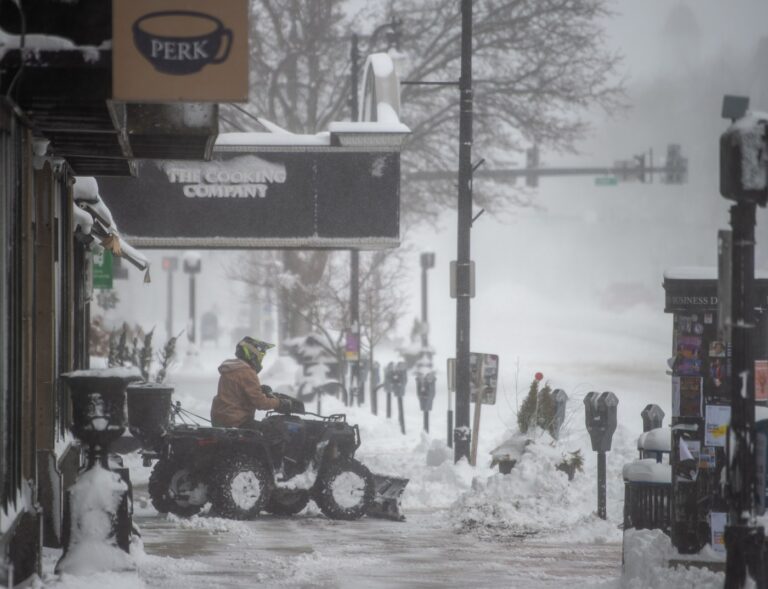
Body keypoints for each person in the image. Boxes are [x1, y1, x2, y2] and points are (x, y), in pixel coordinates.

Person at [211, 336, 295, 428]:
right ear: (252, 354)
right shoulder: (246, 372)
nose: (261, 359)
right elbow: (261, 403)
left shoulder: (232, 368)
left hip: (220, 419)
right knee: (275, 432)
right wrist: (280, 403)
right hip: (236, 421)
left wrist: (259, 390)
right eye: (261, 355)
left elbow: (237, 392)